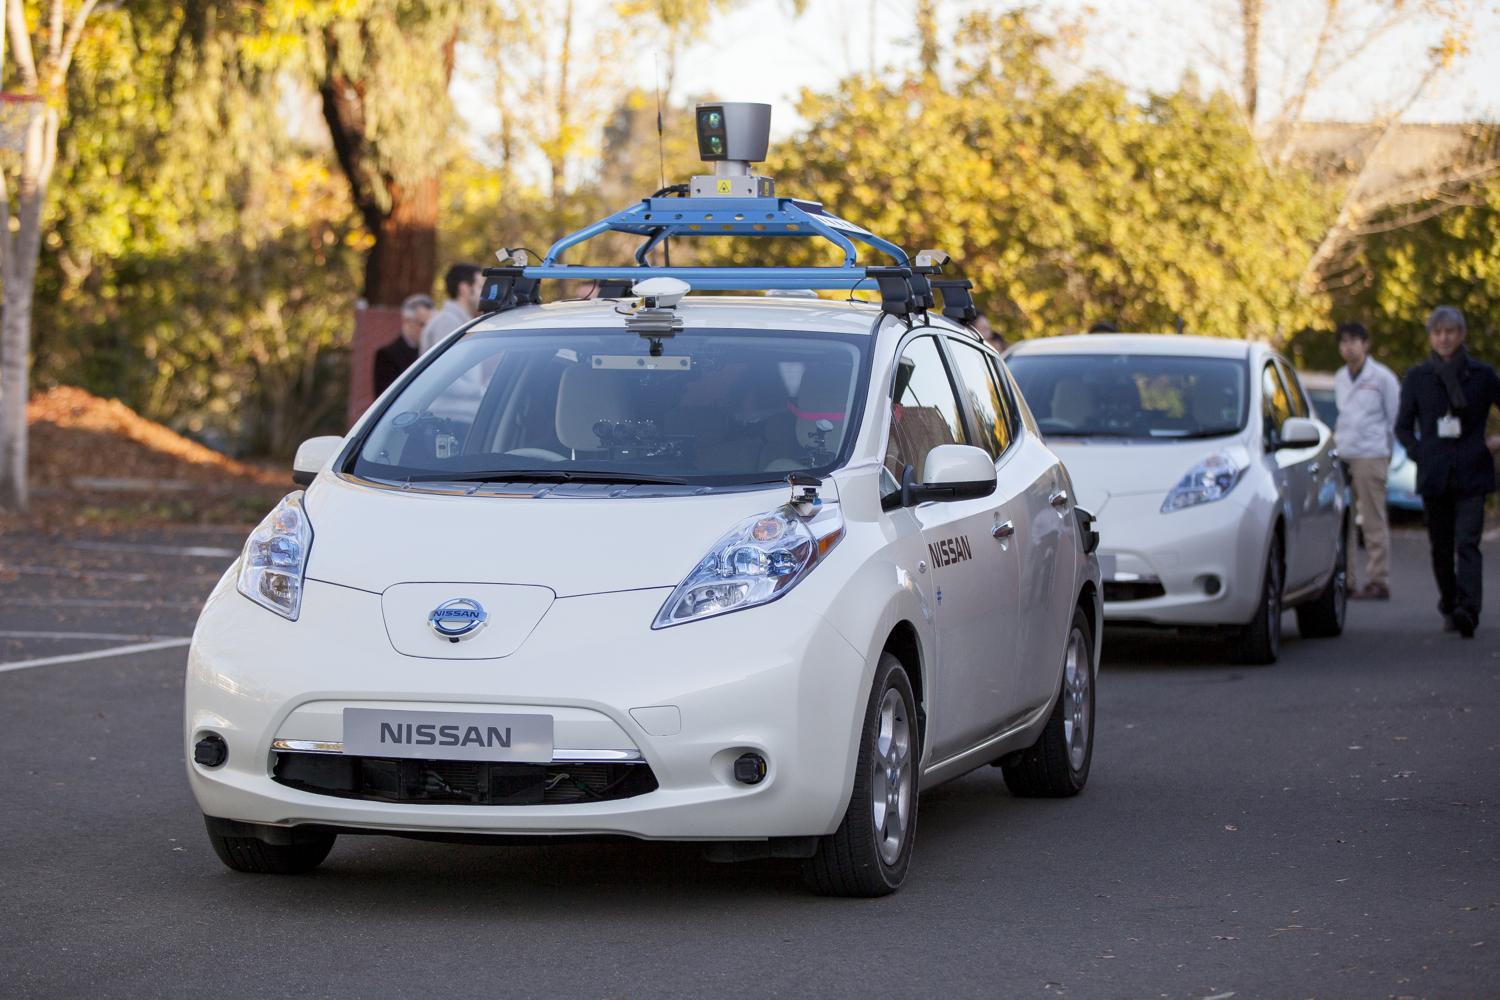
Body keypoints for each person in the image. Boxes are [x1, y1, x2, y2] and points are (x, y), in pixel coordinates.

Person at [1394, 306, 1500, 639]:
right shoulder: (1418, 377)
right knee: (1441, 547)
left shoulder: (1482, 376)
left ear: (1461, 334)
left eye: (1450, 332)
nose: (1444, 338)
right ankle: (1451, 604)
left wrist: (1493, 443)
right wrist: (1420, 453)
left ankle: (1469, 610)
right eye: (1438, 332)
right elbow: (1402, 427)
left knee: (1467, 543)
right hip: (1434, 472)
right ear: (1431, 337)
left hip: (1472, 470)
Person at [1333, 321, 1401, 600]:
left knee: (1372, 519)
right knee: (1343, 521)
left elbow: (1395, 416)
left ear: (1365, 344)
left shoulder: (1382, 377)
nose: (1348, 347)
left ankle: (1378, 580)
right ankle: (1346, 579)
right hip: (1344, 451)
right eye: (1343, 342)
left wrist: (1386, 453)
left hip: (1371, 453)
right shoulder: (1339, 376)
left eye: (1354, 341)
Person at [373, 294, 433, 396]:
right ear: (408, 322)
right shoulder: (387, 356)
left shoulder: (432, 350)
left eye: (431, 325)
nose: (428, 330)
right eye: (423, 324)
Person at [419, 263, 484, 354]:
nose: (485, 293)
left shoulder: (460, 322)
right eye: (480, 287)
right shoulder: (447, 323)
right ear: (464, 289)